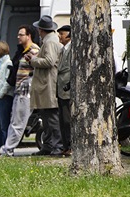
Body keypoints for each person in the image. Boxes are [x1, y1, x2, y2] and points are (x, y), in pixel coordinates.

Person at [0, 25, 40, 156]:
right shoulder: (23, 51)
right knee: (14, 120)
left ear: (29, 36)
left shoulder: (34, 51)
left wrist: (28, 82)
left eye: (21, 34)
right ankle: (6, 148)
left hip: (26, 91)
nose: (18, 37)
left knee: (19, 121)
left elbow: (37, 71)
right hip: (19, 90)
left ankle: (8, 150)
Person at [26, 15, 63, 156]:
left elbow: (49, 61)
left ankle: (57, 146)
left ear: (41, 30)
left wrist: (34, 60)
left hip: (48, 84)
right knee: (47, 119)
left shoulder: (50, 42)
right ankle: (48, 145)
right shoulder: (50, 41)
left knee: (52, 118)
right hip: (45, 84)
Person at [56, 25, 72, 156]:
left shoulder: (72, 49)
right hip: (60, 88)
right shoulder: (63, 50)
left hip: (67, 89)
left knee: (68, 120)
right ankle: (65, 145)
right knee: (62, 119)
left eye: (62, 34)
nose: (60, 36)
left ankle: (71, 145)